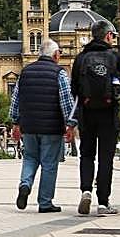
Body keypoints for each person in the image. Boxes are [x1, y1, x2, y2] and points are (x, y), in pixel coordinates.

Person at [70, 21, 120, 216]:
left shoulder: (80, 58)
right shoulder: (116, 57)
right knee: (106, 158)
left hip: (86, 112)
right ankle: (103, 202)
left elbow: (74, 89)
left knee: (86, 155)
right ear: (108, 36)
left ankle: (86, 191)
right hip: (108, 112)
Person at [10, 40, 75, 213]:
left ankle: (25, 185)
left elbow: (15, 99)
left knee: (30, 158)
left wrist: (15, 122)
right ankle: (45, 202)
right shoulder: (59, 73)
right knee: (49, 164)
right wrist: (70, 124)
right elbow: (66, 101)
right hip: (51, 128)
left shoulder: (25, 72)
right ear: (55, 55)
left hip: (29, 126)